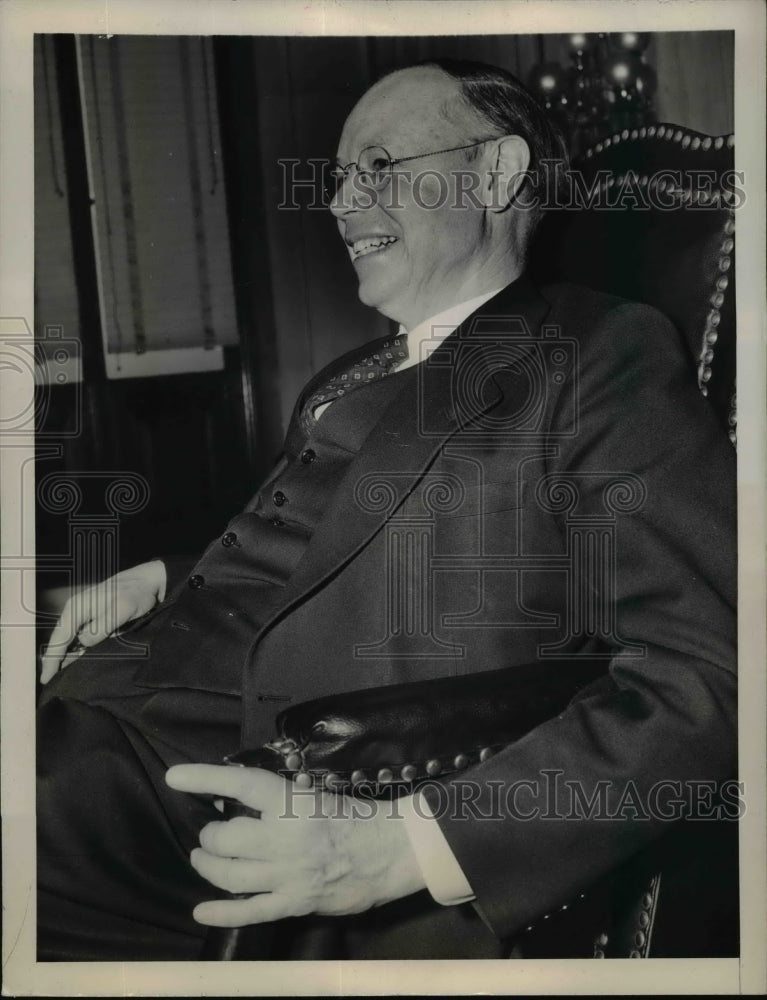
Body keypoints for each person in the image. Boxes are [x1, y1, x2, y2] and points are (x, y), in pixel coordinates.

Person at [37, 59, 737, 961]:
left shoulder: (599, 356)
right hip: (101, 713)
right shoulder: (349, 377)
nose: (338, 203)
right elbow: (311, 551)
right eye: (335, 180)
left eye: (377, 167)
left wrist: (404, 845)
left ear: (496, 172)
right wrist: (163, 576)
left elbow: (709, 676)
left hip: (236, 789)